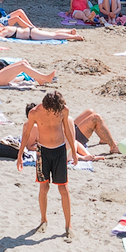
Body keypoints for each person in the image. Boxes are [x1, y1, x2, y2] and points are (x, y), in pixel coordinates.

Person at [28, 90, 80, 235]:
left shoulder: (63, 111)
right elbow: (26, 132)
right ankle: (43, 220)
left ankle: (68, 226)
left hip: (59, 151)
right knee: (44, 188)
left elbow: (68, 132)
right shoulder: (35, 112)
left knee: (63, 189)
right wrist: (20, 155)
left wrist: (74, 153)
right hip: (43, 152)